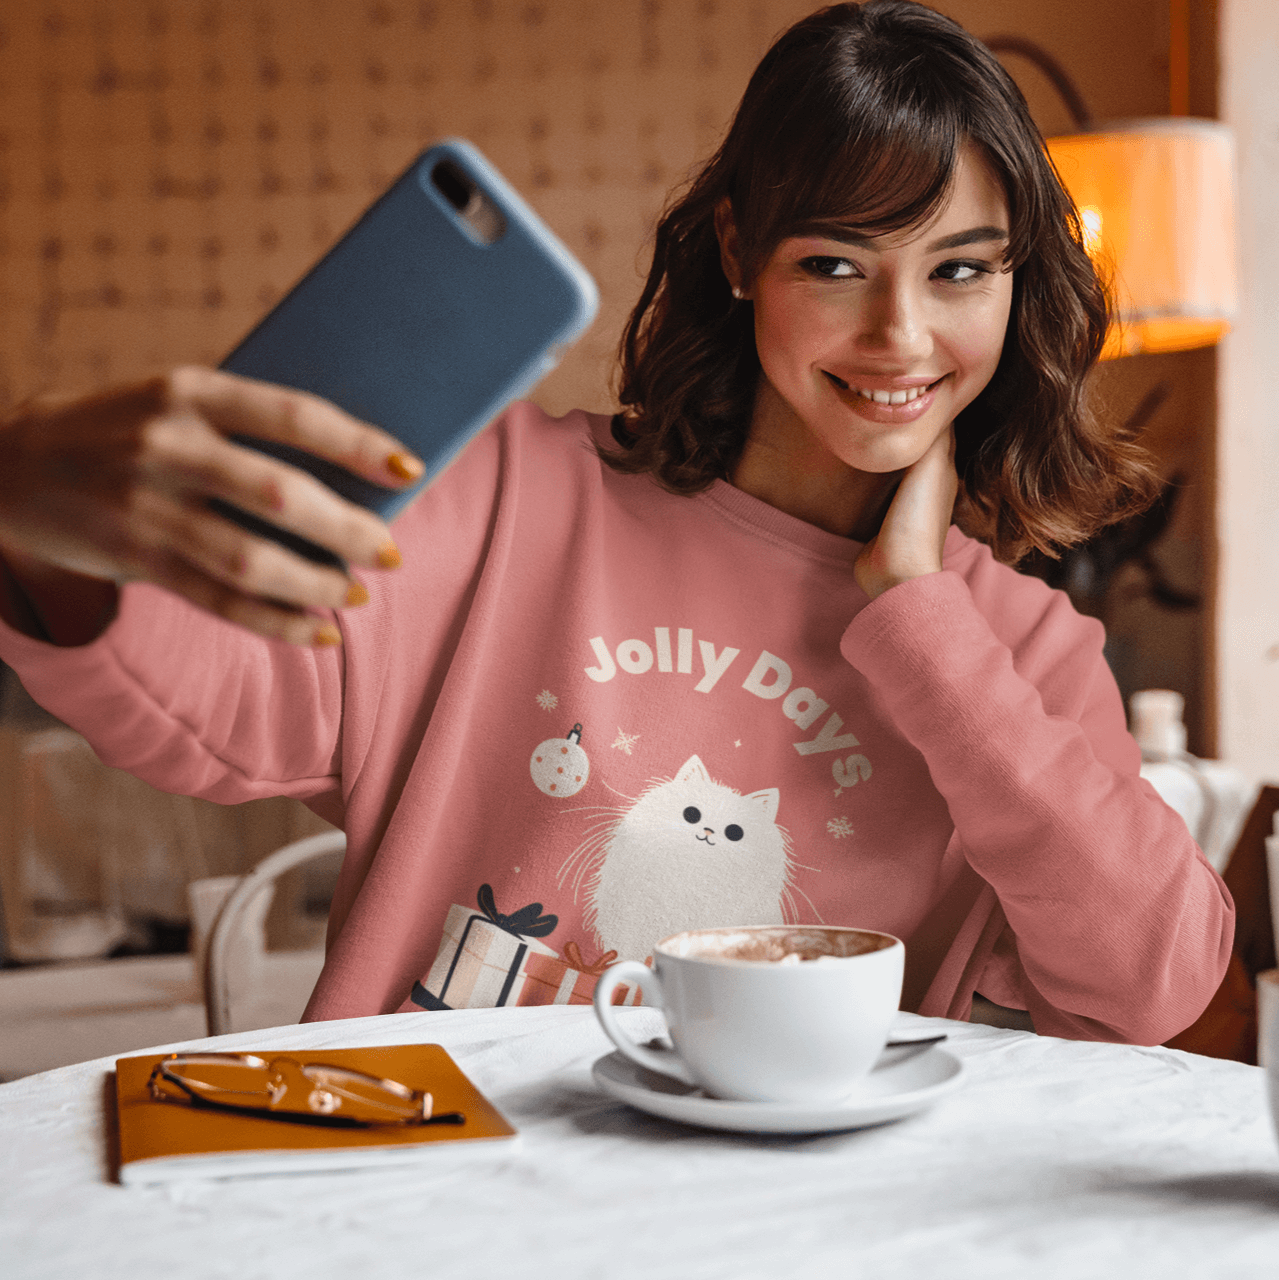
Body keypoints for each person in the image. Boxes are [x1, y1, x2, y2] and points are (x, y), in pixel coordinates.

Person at [0, 1, 1231, 1042]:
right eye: (836, 265)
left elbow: (1152, 980)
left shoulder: (1019, 649)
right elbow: (199, 707)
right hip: (442, 1202)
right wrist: (35, 516)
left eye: (961, 269)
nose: (902, 336)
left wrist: (922, 614)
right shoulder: (502, 499)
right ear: (742, 252)